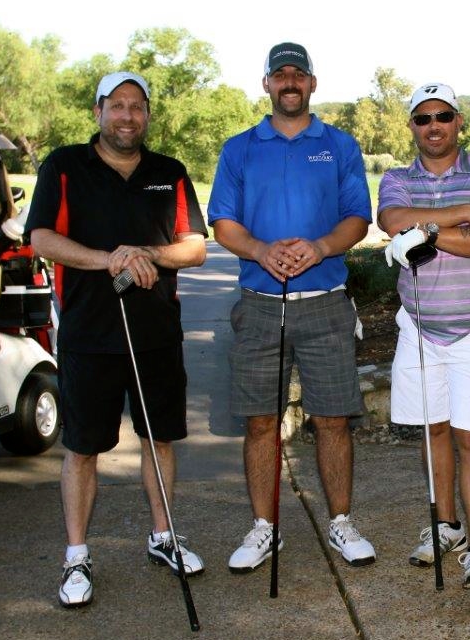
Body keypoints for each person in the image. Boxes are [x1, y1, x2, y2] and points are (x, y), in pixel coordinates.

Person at [26, 71, 209, 608]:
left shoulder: (168, 172)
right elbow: (42, 238)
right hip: (88, 333)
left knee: (159, 438)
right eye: (117, 106)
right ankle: (76, 555)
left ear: (147, 115)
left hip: (156, 333)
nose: (128, 116)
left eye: (137, 106)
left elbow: (195, 247)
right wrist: (109, 259)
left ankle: (163, 537)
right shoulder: (64, 166)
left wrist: (144, 253)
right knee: (83, 448)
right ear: (99, 111)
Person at [208, 42, 377, 573]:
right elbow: (223, 223)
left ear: (312, 83)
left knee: (333, 420)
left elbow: (358, 217)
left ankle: (341, 521)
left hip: (325, 303)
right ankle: (264, 527)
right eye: (279, 74)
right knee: (261, 422)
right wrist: (261, 250)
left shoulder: (339, 145)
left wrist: (321, 247)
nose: (289, 82)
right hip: (260, 304)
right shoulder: (239, 148)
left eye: (297, 74)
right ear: (266, 84)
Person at [379, 83, 470, 592]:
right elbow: (392, 221)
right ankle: (446, 527)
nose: (433, 126)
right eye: (422, 118)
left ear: (458, 121)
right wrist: (462, 214)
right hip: (418, 325)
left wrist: (425, 231)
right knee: (433, 430)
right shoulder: (397, 178)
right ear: (412, 126)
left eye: (442, 116)